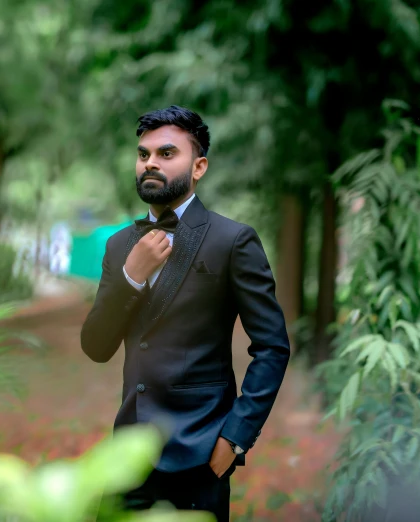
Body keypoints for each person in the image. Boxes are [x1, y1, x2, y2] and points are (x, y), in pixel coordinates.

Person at [80, 105, 290, 521]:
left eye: (166, 153)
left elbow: (272, 347)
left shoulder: (233, 241)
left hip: (199, 455)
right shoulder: (120, 245)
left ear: (199, 166)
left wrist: (234, 438)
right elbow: (96, 346)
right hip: (127, 459)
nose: (151, 163)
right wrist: (131, 276)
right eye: (143, 155)